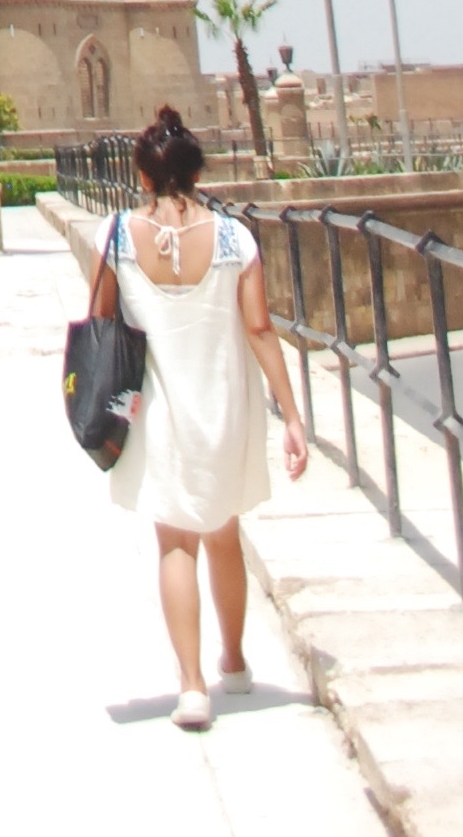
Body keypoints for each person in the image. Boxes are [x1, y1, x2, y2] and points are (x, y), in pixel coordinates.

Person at [89, 104, 308, 730]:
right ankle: (233, 663)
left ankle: (191, 688)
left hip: (157, 409)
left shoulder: (117, 236)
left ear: (144, 175)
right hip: (223, 404)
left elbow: (101, 320)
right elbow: (260, 329)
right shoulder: (236, 239)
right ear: (196, 171)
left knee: (175, 542)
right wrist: (292, 416)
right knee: (223, 532)